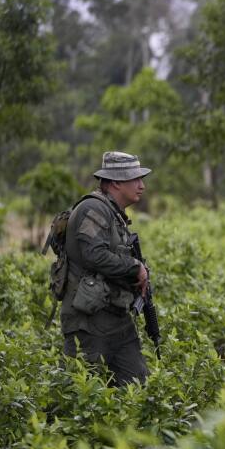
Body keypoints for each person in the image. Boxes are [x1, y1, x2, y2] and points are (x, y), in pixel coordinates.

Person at [61, 151, 152, 386]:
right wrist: (135, 267)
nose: (142, 186)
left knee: (138, 391)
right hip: (89, 324)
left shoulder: (115, 214)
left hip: (116, 319)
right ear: (115, 183)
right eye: (135, 179)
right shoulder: (92, 209)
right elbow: (95, 255)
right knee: (81, 396)